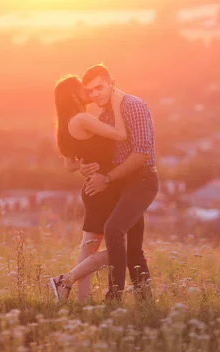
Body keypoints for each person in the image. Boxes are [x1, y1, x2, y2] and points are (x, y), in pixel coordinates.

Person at [51, 64, 159, 305]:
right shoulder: (103, 115)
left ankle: (111, 299)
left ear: (112, 83)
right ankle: (145, 303)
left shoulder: (131, 105)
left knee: (112, 233)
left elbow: (142, 152)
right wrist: (88, 168)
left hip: (138, 180)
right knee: (132, 248)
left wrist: (105, 176)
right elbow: (93, 155)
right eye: (90, 90)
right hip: (115, 184)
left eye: (99, 87)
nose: (95, 94)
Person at [49, 74, 127, 303]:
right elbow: (121, 135)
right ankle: (65, 279)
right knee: (123, 248)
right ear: (74, 94)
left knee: (89, 248)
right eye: (84, 89)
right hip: (102, 190)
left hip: (93, 189)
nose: (89, 92)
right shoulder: (82, 119)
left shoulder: (64, 124)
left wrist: (83, 166)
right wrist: (118, 104)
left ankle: (79, 300)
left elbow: (70, 165)